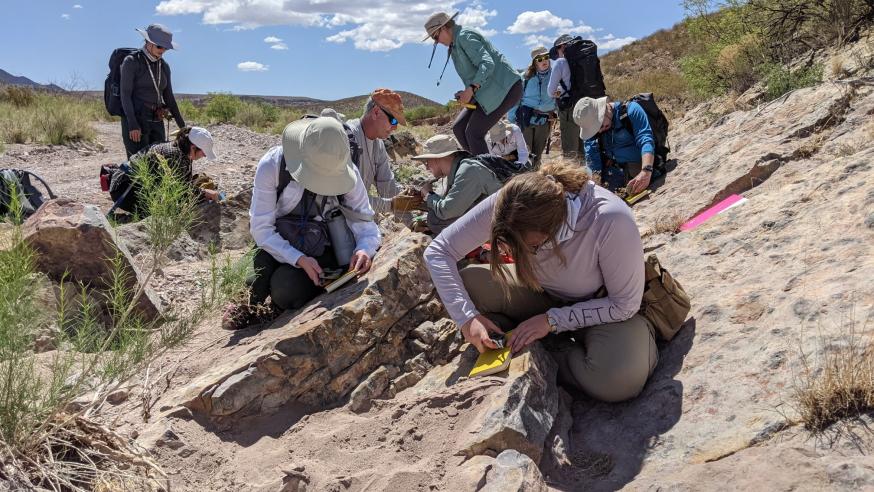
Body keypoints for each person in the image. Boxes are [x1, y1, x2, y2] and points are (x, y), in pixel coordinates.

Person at [423, 162, 656, 402]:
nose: (518, 254)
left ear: (553, 229)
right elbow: (438, 252)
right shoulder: (512, 205)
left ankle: (547, 348)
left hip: (601, 306)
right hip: (540, 291)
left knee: (619, 378)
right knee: (470, 282)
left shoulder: (608, 218)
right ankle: (522, 337)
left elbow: (624, 304)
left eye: (530, 248)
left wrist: (551, 321)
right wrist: (466, 319)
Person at [246, 116, 381, 316]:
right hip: (277, 239)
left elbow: (366, 224)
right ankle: (252, 306)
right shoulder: (273, 165)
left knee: (285, 290)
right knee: (253, 280)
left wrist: (364, 250)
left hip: (321, 248)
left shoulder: (347, 173)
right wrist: (298, 259)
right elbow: (261, 229)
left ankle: (279, 305)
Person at [423, 12, 523, 155]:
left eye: (435, 36)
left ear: (444, 28)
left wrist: (471, 89)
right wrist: (466, 93)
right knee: (459, 128)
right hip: (486, 93)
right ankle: (480, 165)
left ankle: (487, 173)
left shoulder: (464, 37)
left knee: (473, 133)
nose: (436, 41)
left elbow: (487, 64)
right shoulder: (455, 45)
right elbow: (473, 74)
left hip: (505, 89)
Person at [109, 126, 219, 215]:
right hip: (124, 189)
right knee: (172, 212)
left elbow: (183, 183)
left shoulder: (182, 150)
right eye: (204, 152)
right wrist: (204, 193)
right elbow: (180, 191)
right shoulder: (174, 155)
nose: (204, 155)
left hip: (133, 185)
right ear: (193, 147)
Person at [412, 134, 502, 235]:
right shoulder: (460, 169)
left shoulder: (468, 170)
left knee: (435, 220)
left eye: (427, 162)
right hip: (497, 216)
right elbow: (451, 203)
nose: (427, 168)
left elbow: (447, 211)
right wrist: (420, 201)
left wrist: (429, 194)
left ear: (437, 158)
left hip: (505, 221)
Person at [120, 24, 186, 158]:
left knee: (159, 163)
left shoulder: (164, 66)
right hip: (137, 120)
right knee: (138, 166)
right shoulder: (131, 61)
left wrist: (183, 128)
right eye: (159, 46)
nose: (163, 50)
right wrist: (132, 124)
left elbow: (170, 99)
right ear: (148, 42)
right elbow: (125, 95)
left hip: (157, 119)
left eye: (166, 47)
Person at [343, 89, 410, 215]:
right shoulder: (348, 139)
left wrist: (412, 220)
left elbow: (387, 187)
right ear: (376, 112)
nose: (395, 127)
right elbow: (348, 199)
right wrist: (391, 205)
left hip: (357, 219)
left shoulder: (378, 144)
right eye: (393, 120)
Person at [576, 96, 655, 194]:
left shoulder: (631, 110)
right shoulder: (593, 131)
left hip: (639, 167)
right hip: (612, 173)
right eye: (595, 129)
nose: (600, 131)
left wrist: (646, 171)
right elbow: (592, 160)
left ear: (604, 110)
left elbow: (645, 140)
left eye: (599, 125)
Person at [508, 47, 557, 168]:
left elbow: (560, 97)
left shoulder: (555, 75)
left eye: (546, 57)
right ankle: (526, 179)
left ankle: (536, 180)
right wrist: (511, 120)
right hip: (526, 119)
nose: (544, 61)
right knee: (526, 153)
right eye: (540, 59)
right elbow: (515, 99)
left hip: (545, 120)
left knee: (538, 154)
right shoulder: (525, 77)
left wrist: (556, 112)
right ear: (535, 62)